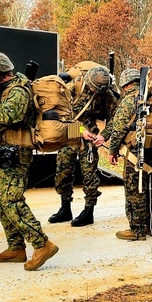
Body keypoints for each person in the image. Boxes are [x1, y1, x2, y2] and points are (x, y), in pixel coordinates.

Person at [0, 53, 58, 270]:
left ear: (0, 75)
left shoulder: (19, 91)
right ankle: (15, 247)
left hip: (15, 153)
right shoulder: (3, 90)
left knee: (12, 201)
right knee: (2, 202)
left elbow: (8, 116)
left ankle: (42, 244)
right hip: (2, 152)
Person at [49, 66, 119, 227]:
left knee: (90, 176)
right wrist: (80, 131)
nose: (95, 91)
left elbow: (116, 117)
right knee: (62, 174)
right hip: (70, 134)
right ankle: (65, 208)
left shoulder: (105, 94)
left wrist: (103, 135)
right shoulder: (73, 87)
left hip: (90, 139)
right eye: (93, 88)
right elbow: (62, 115)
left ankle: (89, 212)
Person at [103, 68, 152, 240]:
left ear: (125, 84)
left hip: (135, 154)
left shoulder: (130, 100)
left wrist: (112, 151)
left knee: (134, 191)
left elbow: (118, 129)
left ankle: (137, 230)